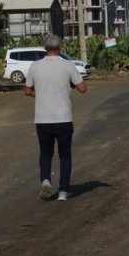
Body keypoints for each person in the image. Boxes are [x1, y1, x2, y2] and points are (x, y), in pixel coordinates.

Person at [24, 34, 87, 201]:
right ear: (61, 48)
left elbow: (27, 91)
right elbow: (82, 88)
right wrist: (72, 83)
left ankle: (45, 180)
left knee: (46, 152)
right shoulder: (68, 65)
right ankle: (63, 192)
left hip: (42, 119)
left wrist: (41, 93)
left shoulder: (35, 66)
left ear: (45, 48)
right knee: (65, 154)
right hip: (63, 118)